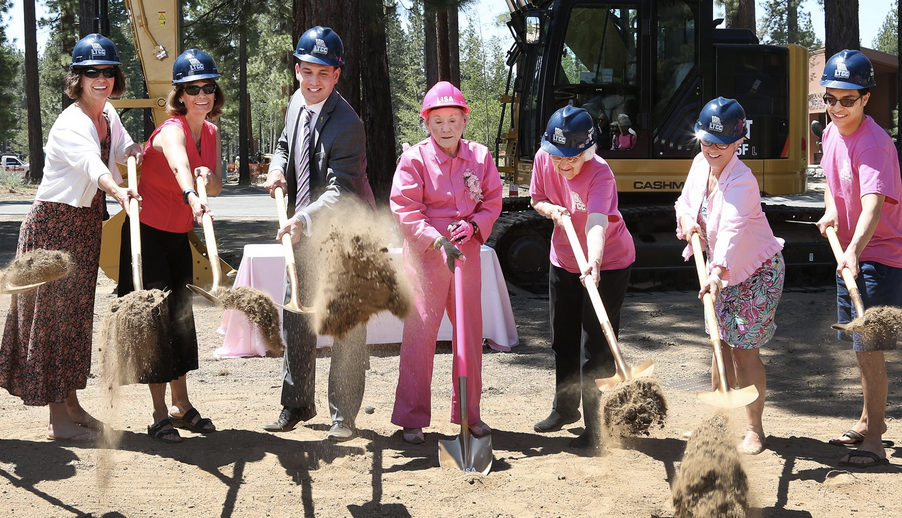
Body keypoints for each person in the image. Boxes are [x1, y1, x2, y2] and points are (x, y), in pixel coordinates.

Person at [0, 34, 139, 442]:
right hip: (53, 228)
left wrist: (138, 154)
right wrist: (118, 189)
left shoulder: (108, 114)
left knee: (75, 320)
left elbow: (124, 149)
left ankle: (72, 405)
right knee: (51, 321)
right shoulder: (72, 122)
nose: (102, 79)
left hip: (85, 224)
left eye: (108, 71)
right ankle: (57, 419)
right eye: (92, 72)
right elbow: (93, 166)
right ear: (77, 77)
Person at [263, 26, 375, 442]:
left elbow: (340, 189)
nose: (313, 82)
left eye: (323, 74)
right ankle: (296, 404)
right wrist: (277, 166)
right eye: (307, 72)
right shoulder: (296, 102)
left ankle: (344, 415)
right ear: (297, 70)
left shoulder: (349, 124)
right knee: (297, 315)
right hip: (303, 231)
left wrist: (302, 219)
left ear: (337, 76)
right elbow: (284, 144)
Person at [115, 48, 222, 443]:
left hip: (177, 236)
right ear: (179, 94)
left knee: (180, 320)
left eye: (208, 87)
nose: (201, 95)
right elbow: (179, 163)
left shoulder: (209, 131)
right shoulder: (173, 129)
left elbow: (216, 184)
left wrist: (208, 181)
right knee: (153, 326)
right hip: (147, 236)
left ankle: (181, 405)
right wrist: (193, 194)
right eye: (192, 89)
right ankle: (158, 412)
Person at [389, 82, 504, 445]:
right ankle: (411, 417)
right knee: (420, 334)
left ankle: (470, 415)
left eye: (452, 119)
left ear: (464, 121)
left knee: (469, 334)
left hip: (466, 250)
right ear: (426, 123)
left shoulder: (481, 157)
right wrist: (434, 238)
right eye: (437, 120)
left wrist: (473, 227)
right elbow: (405, 209)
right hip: (427, 255)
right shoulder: (414, 160)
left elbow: (493, 201)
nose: (445, 127)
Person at [816, 49, 902, 468]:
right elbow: (830, 180)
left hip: (880, 255)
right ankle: (870, 420)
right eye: (830, 98)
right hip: (852, 250)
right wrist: (832, 210)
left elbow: (873, 204)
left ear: (866, 98)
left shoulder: (874, 144)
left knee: (869, 346)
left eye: (847, 100)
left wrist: (854, 250)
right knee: (859, 346)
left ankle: (873, 438)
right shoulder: (830, 132)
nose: (837, 108)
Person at [675, 97, 785, 455]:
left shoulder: (743, 182)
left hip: (754, 272)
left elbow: (734, 230)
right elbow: (685, 203)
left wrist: (717, 272)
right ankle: (720, 425)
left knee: (743, 352)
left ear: (739, 142)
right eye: (706, 140)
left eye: (721, 143)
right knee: (718, 347)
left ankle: (754, 430)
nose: (712, 149)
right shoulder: (699, 164)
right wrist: (687, 219)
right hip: (719, 273)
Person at [529, 104, 637, 448]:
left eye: (571, 158)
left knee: (596, 346)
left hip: (608, 261)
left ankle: (596, 425)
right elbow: (537, 198)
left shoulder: (601, 174)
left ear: (587, 150)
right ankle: (565, 409)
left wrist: (594, 261)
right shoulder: (544, 158)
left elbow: (596, 222)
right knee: (562, 339)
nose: (562, 164)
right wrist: (551, 210)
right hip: (562, 258)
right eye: (556, 155)